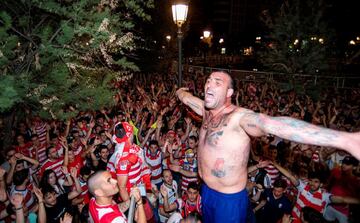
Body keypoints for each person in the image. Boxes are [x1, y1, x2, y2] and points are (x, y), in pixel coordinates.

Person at [176, 71, 360, 223]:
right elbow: (187, 99)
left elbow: (274, 124)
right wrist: (180, 92)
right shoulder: (206, 111)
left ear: (229, 93)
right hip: (206, 191)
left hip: (228, 200)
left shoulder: (240, 118)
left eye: (217, 82)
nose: (209, 84)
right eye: (208, 81)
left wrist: (344, 140)